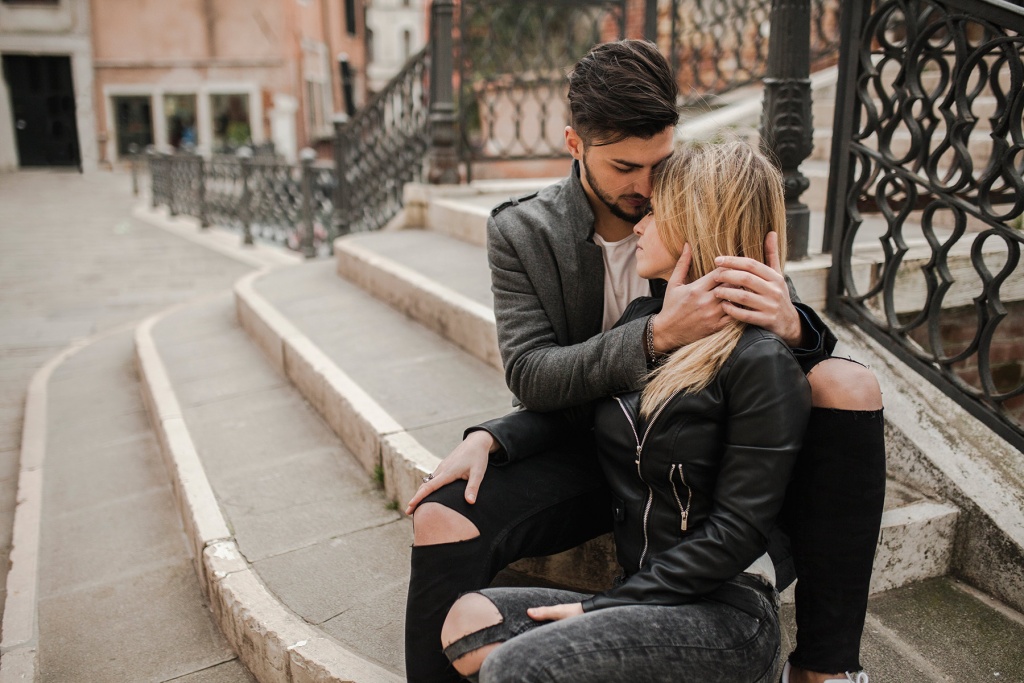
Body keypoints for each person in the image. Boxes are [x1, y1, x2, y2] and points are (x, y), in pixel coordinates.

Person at [406, 40, 884, 683]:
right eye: (625, 167)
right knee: (440, 513)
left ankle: (826, 665)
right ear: (575, 145)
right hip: (597, 437)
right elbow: (532, 373)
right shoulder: (523, 231)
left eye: (660, 164)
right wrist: (498, 433)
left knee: (847, 383)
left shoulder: (691, 205)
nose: (646, 187)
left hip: (701, 455)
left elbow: (765, 349)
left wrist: (793, 321)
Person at [439, 137, 810, 682]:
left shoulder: (760, 359)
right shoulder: (646, 320)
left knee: (517, 667)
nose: (639, 224)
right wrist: (493, 437)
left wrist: (601, 607)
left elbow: (736, 534)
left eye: (656, 212)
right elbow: (578, 408)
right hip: (643, 592)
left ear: (693, 225)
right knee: (469, 620)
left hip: (724, 609)